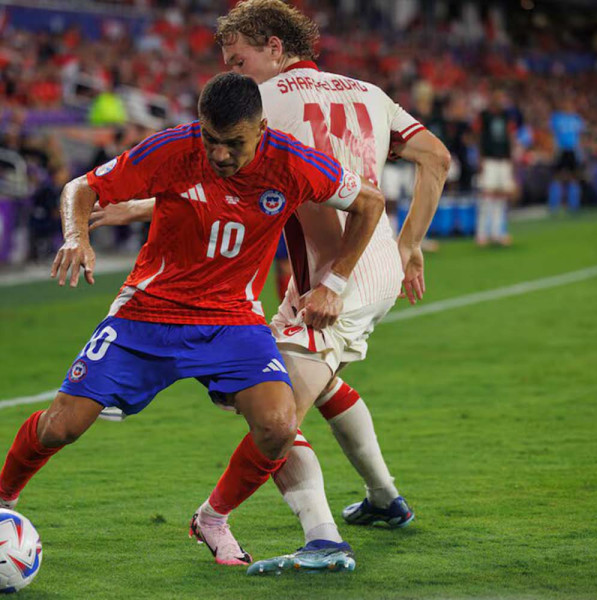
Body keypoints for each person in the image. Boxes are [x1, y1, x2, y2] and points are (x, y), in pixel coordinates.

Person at [89, 0, 450, 574]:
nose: (233, 76)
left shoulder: (266, 106)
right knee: (316, 384)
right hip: (372, 256)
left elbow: (208, 173)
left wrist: (132, 204)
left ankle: (319, 539)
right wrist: (407, 245)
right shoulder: (368, 93)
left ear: (275, 49)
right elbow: (436, 157)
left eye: (240, 60)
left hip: (337, 272)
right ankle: (385, 500)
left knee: (272, 411)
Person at [0, 72, 386, 575]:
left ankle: (213, 519)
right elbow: (81, 188)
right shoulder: (171, 149)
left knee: (279, 425)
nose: (219, 154)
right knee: (62, 426)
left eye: (233, 143)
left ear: (260, 128)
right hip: (148, 312)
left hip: (232, 319)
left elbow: (369, 203)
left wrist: (336, 284)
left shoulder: (294, 163)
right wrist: (75, 237)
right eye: (211, 140)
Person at [475, 89, 515, 246]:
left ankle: (497, 232)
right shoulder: (484, 116)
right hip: (489, 159)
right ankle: (482, 234)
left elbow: (509, 137)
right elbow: (479, 137)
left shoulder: (506, 116)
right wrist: (480, 158)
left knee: (501, 197)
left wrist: (511, 159)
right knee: (487, 196)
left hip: (503, 159)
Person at [548, 99, 585, 213]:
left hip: (573, 150)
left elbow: (580, 136)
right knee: (557, 177)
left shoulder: (577, 119)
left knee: (574, 177)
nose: (568, 106)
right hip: (561, 150)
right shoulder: (557, 118)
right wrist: (553, 150)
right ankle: (554, 206)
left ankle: (573, 206)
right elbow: (552, 135)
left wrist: (580, 151)